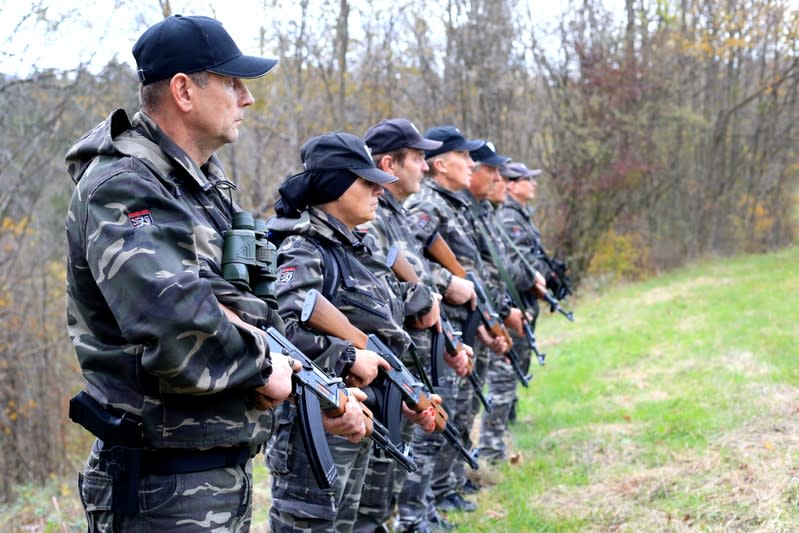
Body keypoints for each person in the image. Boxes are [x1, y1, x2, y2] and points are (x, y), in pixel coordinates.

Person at [64, 15, 297, 531]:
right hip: (160, 490)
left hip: (210, 476)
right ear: (184, 91)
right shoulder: (123, 187)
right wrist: (262, 365)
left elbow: (239, 302)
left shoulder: (197, 187)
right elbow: (175, 323)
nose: (247, 98)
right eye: (233, 82)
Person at [265, 131, 436, 533]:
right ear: (335, 186)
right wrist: (347, 356)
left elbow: (383, 335)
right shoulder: (304, 249)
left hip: (363, 415)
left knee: (361, 524)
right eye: (366, 180)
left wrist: (404, 392)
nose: (379, 189)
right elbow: (282, 331)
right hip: (322, 424)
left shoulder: (359, 251)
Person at [360, 118, 473, 533]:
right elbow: (380, 292)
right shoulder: (371, 220)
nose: (425, 167)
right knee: (397, 453)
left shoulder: (397, 216)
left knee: (421, 437)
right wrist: (429, 296)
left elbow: (419, 276)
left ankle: (418, 512)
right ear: (390, 163)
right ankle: (411, 518)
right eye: (419, 158)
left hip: (423, 350)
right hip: (396, 360)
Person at [404, 126, 508, 515]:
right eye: (465, 158)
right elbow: (410, 263)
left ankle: (443, 490)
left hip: (459, 325)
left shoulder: (453, 205)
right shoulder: (427, 206)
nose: (472, 165)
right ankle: (420, 507)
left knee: (460, 412)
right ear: (440, 163)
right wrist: (450, 283)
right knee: (437, 420)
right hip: (435, 328)